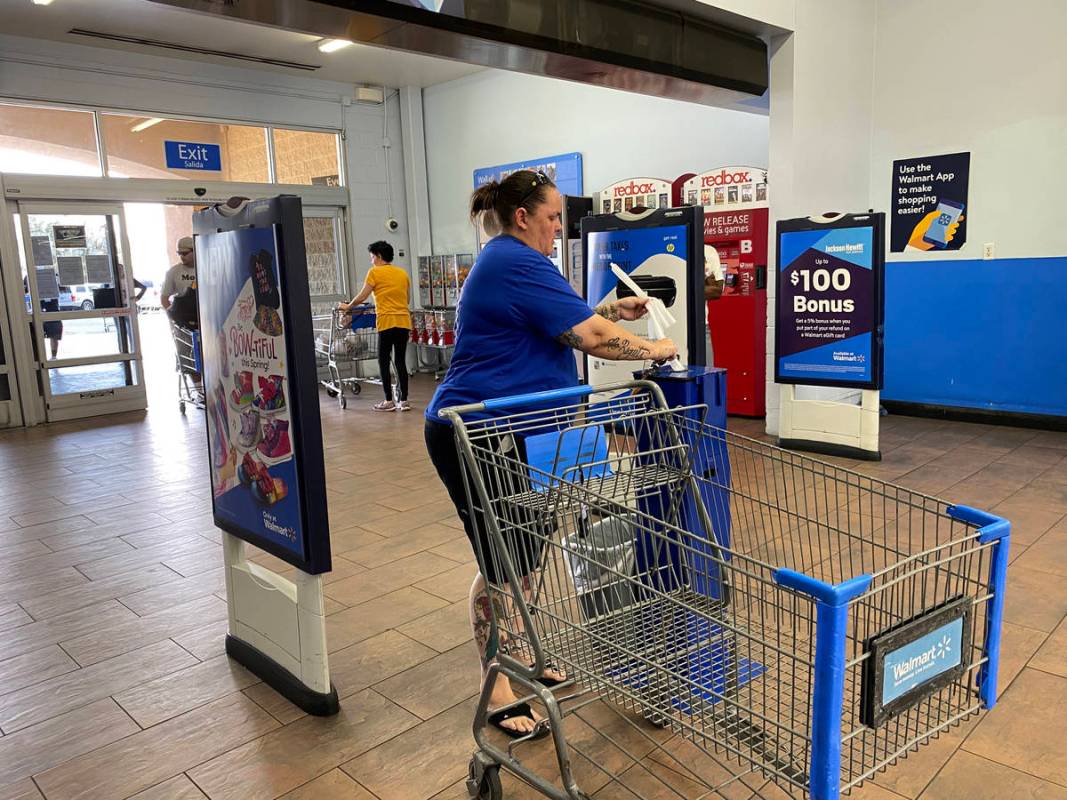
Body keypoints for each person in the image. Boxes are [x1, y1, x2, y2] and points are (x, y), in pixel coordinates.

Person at [424, 169, 677, 738]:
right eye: (554, 216)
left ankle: (523, 653)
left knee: (527, 554)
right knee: (504, 561)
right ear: (524, 217)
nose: (560, 227)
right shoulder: (514, 260)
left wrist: (613, 312)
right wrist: (656, 347)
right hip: (481, 432)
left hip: (524, 431)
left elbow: (564, 325)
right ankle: (501, 686)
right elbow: (585, 338)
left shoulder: (512, 261)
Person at [338, 240, 412, 411]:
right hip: (403, 321)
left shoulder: (374, 273)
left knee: (383, 361)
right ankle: (404, 400)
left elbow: (363, 297)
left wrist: (348, 307)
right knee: (400, 361)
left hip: (386, 322)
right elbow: (406, 300)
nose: (371, 260)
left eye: (372, 257)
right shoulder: (402, 273)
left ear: (379, 256)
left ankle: (388, 401)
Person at [162, 236, 202, 396]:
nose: (182, 256)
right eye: (180, 254)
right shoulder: (174, 272)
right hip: (184, 324)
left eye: (186, 253)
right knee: (190, 358)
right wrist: (174, 317)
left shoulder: (205, 266)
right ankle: (199, 392)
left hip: (205, 320)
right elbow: (164, 298)